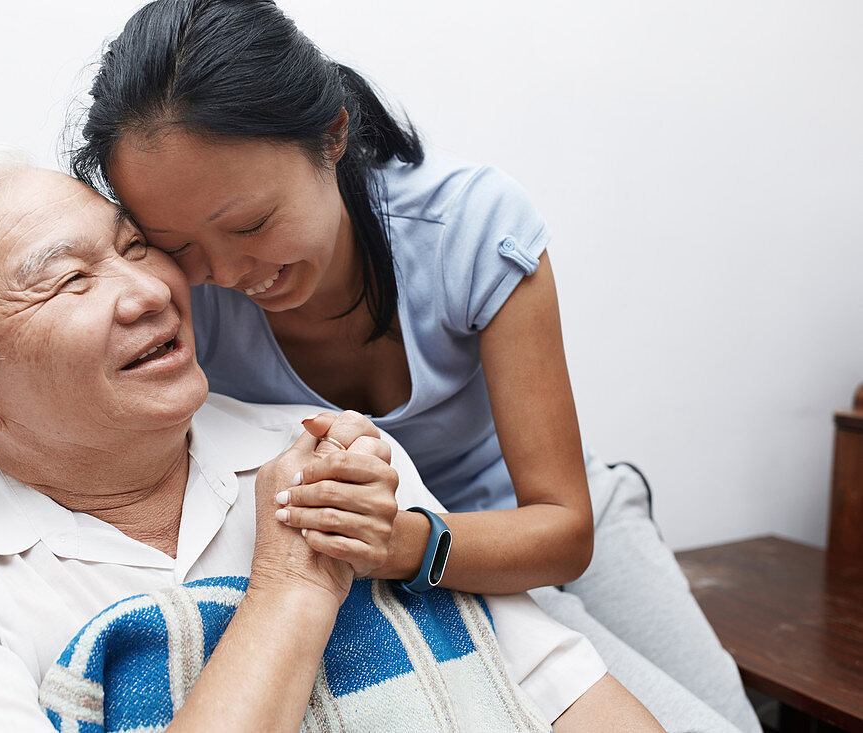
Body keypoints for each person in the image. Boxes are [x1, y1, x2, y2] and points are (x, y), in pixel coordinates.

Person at [65, 1, 760, 731]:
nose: (231, 272)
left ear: (332, 135)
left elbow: (563, 527)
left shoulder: (471, 229)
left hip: (528, 523)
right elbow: (37, 381)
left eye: (251, 225)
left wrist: (403, 541)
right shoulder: (180, 298)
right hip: (400, 556)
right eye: (181, 245)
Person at [0, 145, 660, 730]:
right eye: (68, 281)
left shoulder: (329, 454)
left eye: (137, 245)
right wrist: (290, 589)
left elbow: (563, 695)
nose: (145, 292)